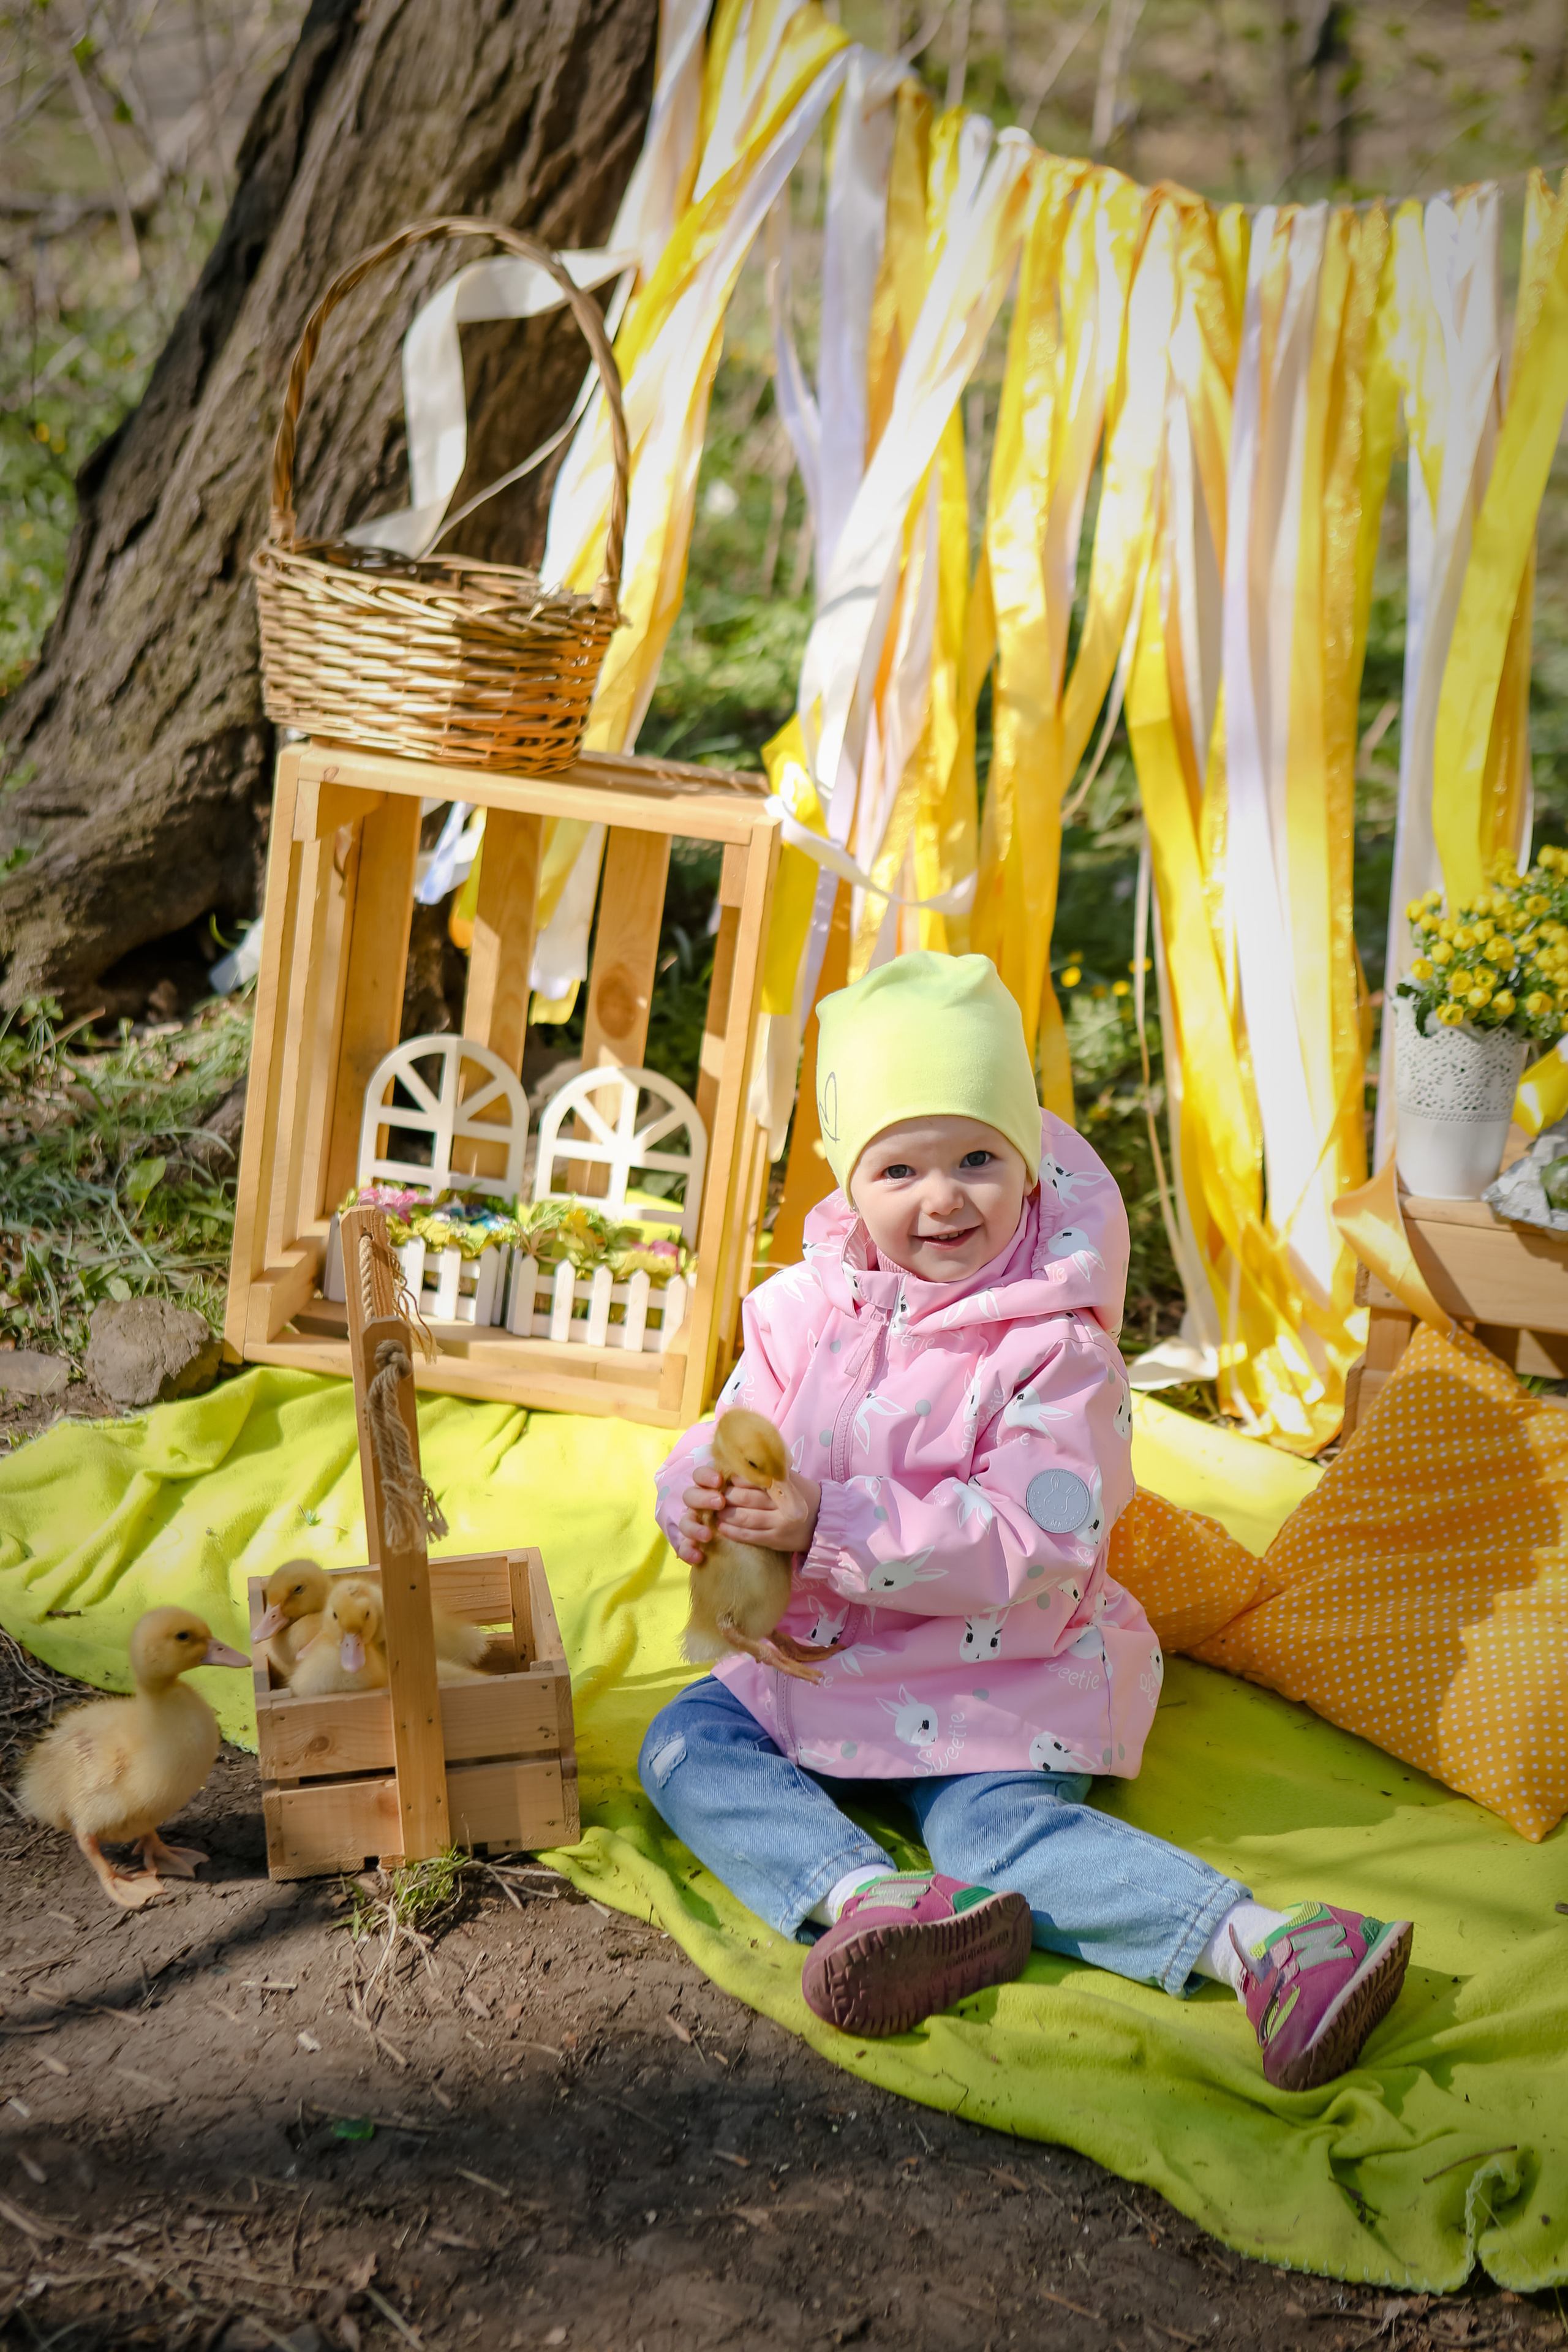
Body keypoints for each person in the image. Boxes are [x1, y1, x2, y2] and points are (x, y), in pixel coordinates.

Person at [641, 953, 1412, 2088]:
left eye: (977, 1159)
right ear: (849, 1185)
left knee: (991, 1830)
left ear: (1029, 1161)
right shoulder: (801, 1310)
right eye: (898, 1166)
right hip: (818, 1669)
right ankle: (878, 1903)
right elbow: (733, 1429)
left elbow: (1032, 1540)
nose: (942, 1197)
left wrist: (830, 1523)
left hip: (999, 1681)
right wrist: (699, 1491)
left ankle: (1267, 1944)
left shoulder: (1055, 1349)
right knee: (682, 1746)